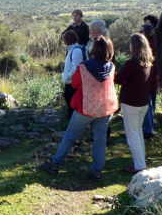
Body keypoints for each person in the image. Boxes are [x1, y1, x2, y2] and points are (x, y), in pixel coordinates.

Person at [41, 36, 119, 181]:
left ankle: (55, 163)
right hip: (105, 108)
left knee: (70, 136)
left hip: (85, 108)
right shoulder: (111, 67)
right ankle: (96, 171)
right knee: (100, 140)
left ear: (94, 49)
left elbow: (75, 84)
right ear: (110, 50)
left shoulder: (84, 67)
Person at [115, 33, 154, 174]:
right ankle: (140, 161)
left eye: (130, 44)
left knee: (132, 136)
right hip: (143, 103)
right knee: (137, 133)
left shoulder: (132, 63)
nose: (129, 46)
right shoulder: (148, 62)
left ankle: (139, 166)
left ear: (135, 46)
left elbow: (118, 79)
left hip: (131, 103)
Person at [140, 24, 159, 141]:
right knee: (150, 105)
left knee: (148, 105)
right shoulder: (154, 43)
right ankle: (149, 128)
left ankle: (148, 130)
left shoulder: (149, 45)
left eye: (141, 31)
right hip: (153, 78)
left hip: (149, 79)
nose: (140, 33)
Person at [62, 30, 84, 119]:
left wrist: (67, 76)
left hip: (73, 81)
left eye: (65, 40)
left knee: (73, 101)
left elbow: (76, 68)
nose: (64, 43)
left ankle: (74, 119)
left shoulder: (76, 50)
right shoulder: (72, 49)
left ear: (68, 40)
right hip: (70, 81)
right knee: (67, 97)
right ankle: (71, 118)